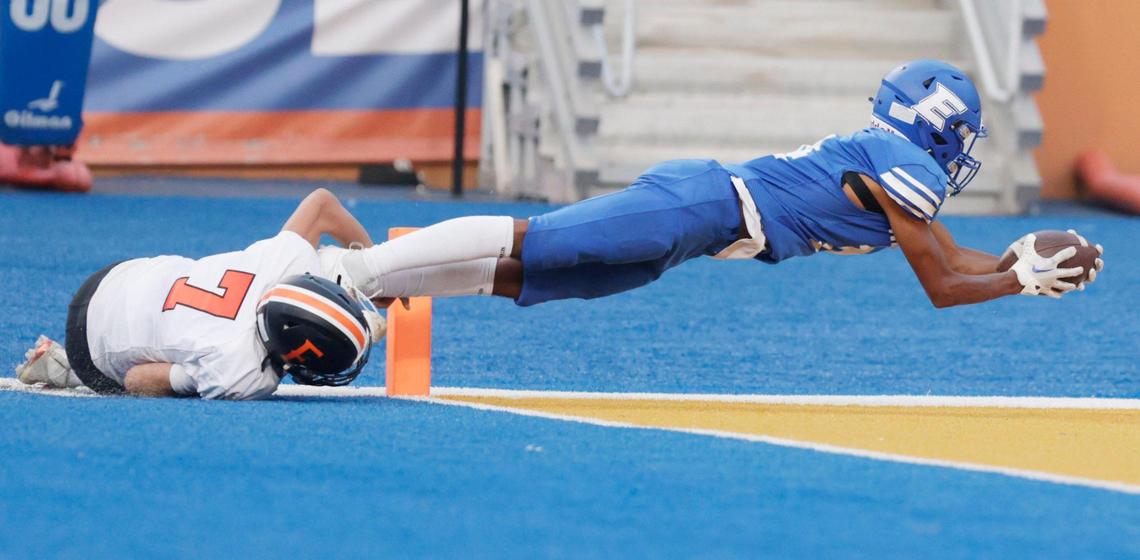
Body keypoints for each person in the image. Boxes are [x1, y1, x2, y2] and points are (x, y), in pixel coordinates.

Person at [320, 60, 1103, 311]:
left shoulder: (902, 170)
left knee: (543, 276)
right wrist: (1016, 284)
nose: (958, 152)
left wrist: (1016, 267)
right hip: (702, 203)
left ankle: (386, 288)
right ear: (934, 122)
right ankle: (351, 272)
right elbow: (939, 284)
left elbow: (955, 256)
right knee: (542, 238)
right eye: (958, 133)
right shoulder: (907, 165)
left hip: (707, 230)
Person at [16, 189, 386, 399]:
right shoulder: (242, 375)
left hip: (118, 274)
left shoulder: (282, 262)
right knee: (146, 376)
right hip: (89, 347)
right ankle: (68, 370)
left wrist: (375, 265)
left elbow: (321, 203)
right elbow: (139, 379)